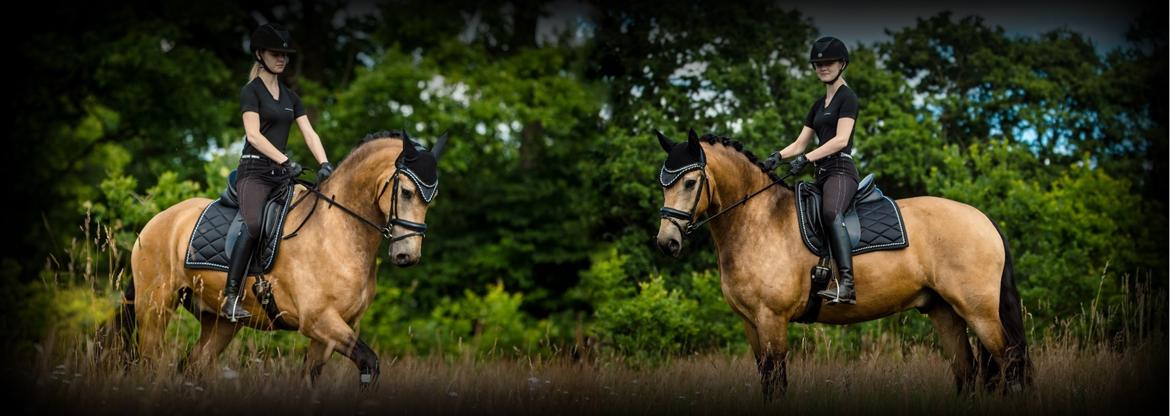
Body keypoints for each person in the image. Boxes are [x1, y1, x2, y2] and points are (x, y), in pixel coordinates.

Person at [222, 23, 335, 321]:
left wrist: (325, 163)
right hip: (254, 173)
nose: (282, 59)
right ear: (260, 55)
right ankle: (231, 297)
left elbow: (309, 133)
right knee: (255, 225)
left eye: (285, 54)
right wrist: (285, 160)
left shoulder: (290, 97)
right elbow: (254, 135)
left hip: (280, 176)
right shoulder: (251, 92)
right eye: (276, 53)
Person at [761, 36, 860, 305]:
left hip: (840, 170)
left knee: (830, 212)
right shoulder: (817, 105)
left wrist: (806, 158)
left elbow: (840, 140)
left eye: (828, 62)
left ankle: (848, 285)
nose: (822, 67)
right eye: (817, 63)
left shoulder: (847, 98)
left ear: (842, 64)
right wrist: (775, 158)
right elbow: (799, 143)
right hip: (821, 173)